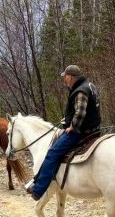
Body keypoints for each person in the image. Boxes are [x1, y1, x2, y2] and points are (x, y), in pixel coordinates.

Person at [26, 65, 101, 200]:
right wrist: (67, 119)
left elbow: (81, 111)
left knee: (52, 153)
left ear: (70, 77)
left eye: (65, 77)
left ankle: (38, 190)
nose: (64, 80)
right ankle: (37, 180)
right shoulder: (89, 85)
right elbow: (88, 109)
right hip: (94, 129)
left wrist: (72, 126)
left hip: (81, 132)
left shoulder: (80, 91)